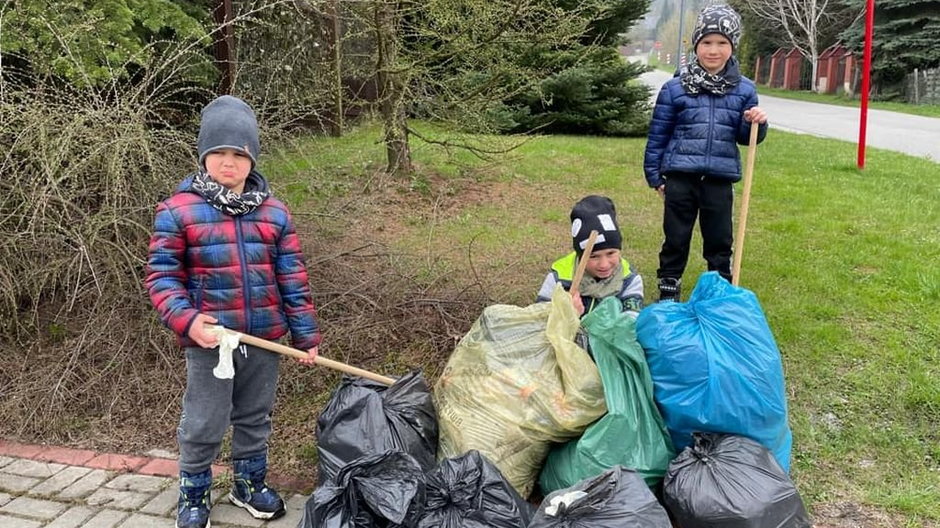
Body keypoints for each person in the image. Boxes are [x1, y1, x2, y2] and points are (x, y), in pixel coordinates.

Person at [145, 95, 321, 528]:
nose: (229, 162)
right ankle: (194, 490)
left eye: (239, 153)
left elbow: (293, 279)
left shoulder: (275, 213)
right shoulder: (178, 211)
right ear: (204, 155)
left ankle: (248, 482)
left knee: (254, 416)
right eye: (219, 152)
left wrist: (306, 337)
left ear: (252, 157)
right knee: (204, 420)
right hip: (211, 342)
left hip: (263, 337)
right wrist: (188, 321)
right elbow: (162, 279)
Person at [643, 4, 768, 302]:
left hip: (719, 178)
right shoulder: (674, 88)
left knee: (720, 238)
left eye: (722, 43)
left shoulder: (744, 90)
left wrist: (756, 124)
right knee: (675, 236)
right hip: (680, 177)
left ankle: (719, 289)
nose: (714, 50)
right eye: (707, 43)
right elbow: (658, 134)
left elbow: (745, 137)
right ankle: (669, 286)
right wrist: (654, 175)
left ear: (732, 46)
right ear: (696, 45)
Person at [537, 195, 644, 317]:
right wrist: (566, 314)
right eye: (593, 256)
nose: (604, 264)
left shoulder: (629, 280)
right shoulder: (558, 279)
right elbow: (539, 319)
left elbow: (631, 324)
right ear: (580, 255)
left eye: (611, 253)